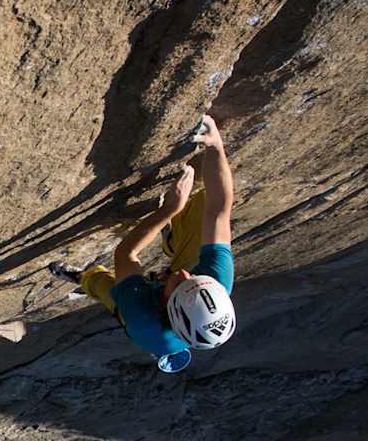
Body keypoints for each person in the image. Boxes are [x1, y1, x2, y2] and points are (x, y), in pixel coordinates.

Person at [49, 114, 236, 372]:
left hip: (144, 310)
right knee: (204, 207)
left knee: (105, 287)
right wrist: (215, 145)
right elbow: (219, 208)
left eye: (181, 283)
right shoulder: (216, 283)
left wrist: (170, 209)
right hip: (180, 299)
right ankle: (173, 241)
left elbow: (126, 254)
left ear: (168, 304)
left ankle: (82, 277)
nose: (184, 274)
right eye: (192, 278)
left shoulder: (144, 321)